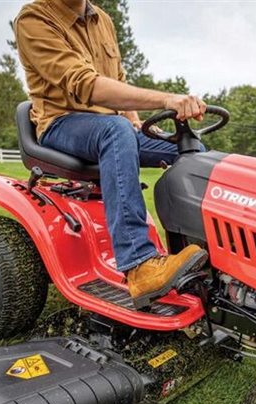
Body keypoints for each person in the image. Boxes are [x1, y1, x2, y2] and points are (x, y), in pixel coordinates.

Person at [14, 0, 208, 309]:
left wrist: (136, 123)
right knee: (114, 130)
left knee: (190, 148)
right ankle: (139, 265)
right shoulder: (34, 18)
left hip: (112, 126)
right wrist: (166, 99)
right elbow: (86, 86)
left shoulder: (101, 19)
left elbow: (116, 78)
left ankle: (204, 256)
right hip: (61, 125)